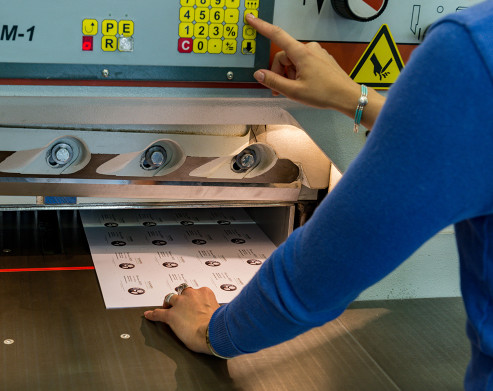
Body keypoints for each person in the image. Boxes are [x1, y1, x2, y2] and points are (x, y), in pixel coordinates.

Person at [144, 1, 493, 388]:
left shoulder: (471, 49)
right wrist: (356, 98)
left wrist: (214, 332)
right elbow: (463, 133)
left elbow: (345, 250)